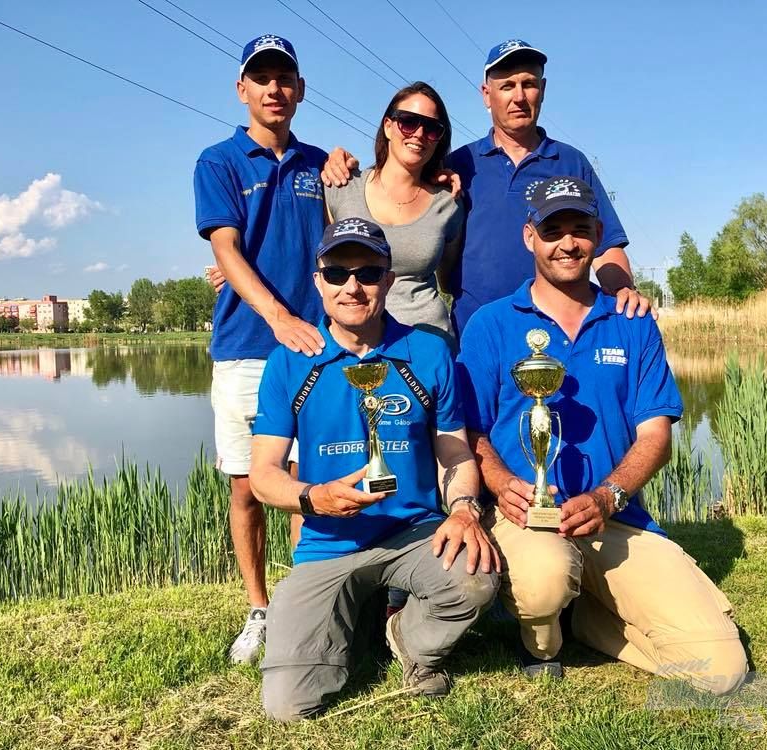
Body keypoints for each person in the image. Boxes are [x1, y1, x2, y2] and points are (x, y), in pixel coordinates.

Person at [457, 176, 748, 695]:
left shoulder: (632, 321)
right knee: (544, 581)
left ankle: (587, 620)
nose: (567, 243)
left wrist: (609, 495)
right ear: (530, 237)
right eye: (553, 230)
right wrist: (500, 483)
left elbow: (656, 434)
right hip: (526, 518)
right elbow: (471, 431)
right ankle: (542, 637)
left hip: (614, 519)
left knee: (720, 670)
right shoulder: (491, 324)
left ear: (596, 236)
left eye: (579, 229)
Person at [249, 218, 500, 721]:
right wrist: (312, 497)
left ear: (387, 280)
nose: (352, 286)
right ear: (318, 280)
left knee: (477, 579)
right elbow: (263, 474)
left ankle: (407, 637)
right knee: (288, 706)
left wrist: (465, 509)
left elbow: (453, 451)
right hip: (328, 544)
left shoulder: (428, 351)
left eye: (367, 272)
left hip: (415, 533)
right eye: (337, 273)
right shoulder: (291, 360)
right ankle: (356, 623)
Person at [321, 39, 652, 334]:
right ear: (486, 95)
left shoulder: (571, 162)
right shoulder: (460, 165)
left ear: (543, 90)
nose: (519, 96)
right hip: (475, 335)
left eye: (529, 84)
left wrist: (621, 290)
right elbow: (401, 179)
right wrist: (340, 162)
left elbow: (606, 245)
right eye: (507, 86)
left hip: (560, 330)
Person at [193, 34, 327, 665]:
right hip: (248, 347)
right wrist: (277, 316)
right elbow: (226, 249)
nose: (275, 89)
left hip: (317, 350)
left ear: (299, 90)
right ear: (242, 90)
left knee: (305, 480)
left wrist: (353, 167)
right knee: (248, 484)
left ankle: (302, 603)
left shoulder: (323, 166)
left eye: (285, 78)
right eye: (262, 78)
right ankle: (258, 607)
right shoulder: (218, 161)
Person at [325, 82, 462, 348]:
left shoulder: (449, 203)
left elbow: (448, 281)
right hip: (353, 347)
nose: (419, 134)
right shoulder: (341, 185)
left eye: (432, 128)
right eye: (408, 122)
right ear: (388, 126)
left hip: (429, 344)